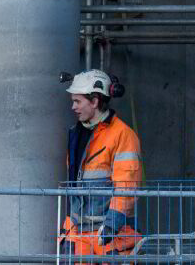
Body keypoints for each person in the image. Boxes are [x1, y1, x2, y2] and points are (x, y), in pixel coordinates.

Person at [60, 69, 143, 259]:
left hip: (108, 233)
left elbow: (127, 185)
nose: (73, 107)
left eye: (77, 101)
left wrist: (111, 225)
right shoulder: (76, 134)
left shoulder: (122, 134)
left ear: (95, 101)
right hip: (78, 231)